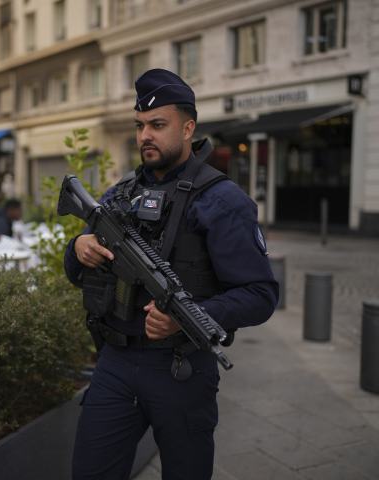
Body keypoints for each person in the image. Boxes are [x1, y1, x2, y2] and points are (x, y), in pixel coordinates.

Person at [64, 68, 279, 480]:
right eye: (140, 125)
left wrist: (189, 316)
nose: (146, 135)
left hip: (181, 370)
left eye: (158, 125)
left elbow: (261, 294)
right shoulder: (120, 194)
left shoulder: (223, 201)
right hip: (115, 362)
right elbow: (78, 273)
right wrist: (77, 249)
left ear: (188, 128)